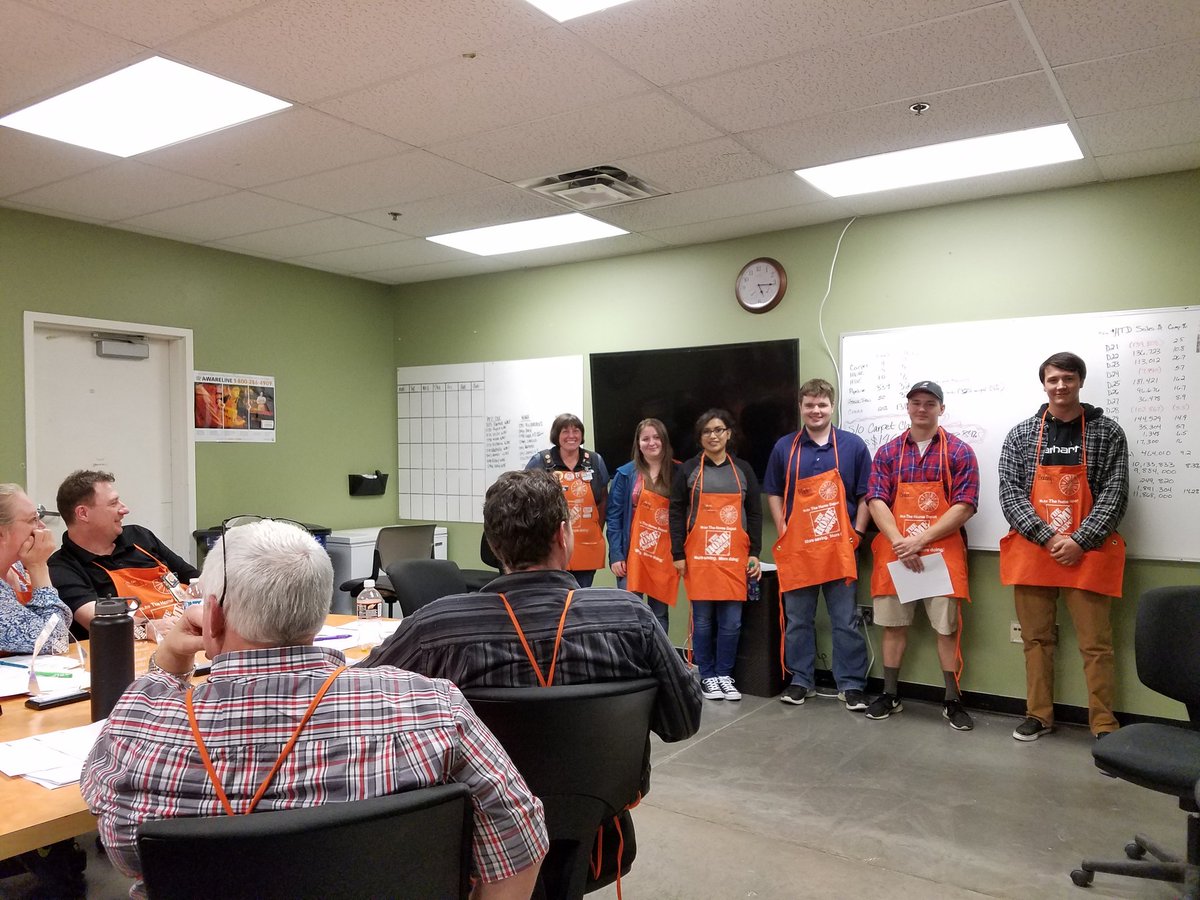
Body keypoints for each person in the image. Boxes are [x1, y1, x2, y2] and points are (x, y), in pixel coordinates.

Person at [81, 519, 546, 900]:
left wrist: (171, 659)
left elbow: (117, 841)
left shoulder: (140, 731)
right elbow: (520, 837)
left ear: (212, 617)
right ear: (320, 610)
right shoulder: (431, 707)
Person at [365, 468, 700, 890]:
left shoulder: (436, 629)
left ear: (492, 546)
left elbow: (360, 704)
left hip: (476, 849)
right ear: (564, 536)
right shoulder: (631, 618)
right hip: (595, 838)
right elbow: (682, 721)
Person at [999, 352, 1129, 741]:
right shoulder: (1022, 434)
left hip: (1088, 554)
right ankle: (1038, 715)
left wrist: (1079, 540)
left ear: (1080, 382)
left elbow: (1115, 492)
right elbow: (1010, 493)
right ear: (1044, 383)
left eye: (1068, 379)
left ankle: (1104, 723)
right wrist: (1050, 537)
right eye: (1053, 379)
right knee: (1036, 640)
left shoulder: (1107, 432)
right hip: (1034, 553)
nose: (1060, 386)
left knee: (1096, 645)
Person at [865, 382, 980, 731]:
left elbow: (965, 505)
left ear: (941, 409)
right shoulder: (887, 453)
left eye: (930, 403)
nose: (922, 409)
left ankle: (951, 700)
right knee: (893, 626)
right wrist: (902, 542)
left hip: (941, 555)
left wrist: (921, 541)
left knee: (946, 629)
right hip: (896, 553)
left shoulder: (959, 452)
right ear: (908, 407)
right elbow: (875, 500)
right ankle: (889, 694)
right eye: (916, 403)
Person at [764, 379, 872, 712]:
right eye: (809, 405)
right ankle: (801, 680)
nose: (816, 410)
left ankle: (851, 685)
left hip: (840, 547)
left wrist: (857, 532)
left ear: (832, 407)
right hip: (798, 550)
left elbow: (865, 494)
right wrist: (783, 529)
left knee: (845, 619)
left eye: (822, 405)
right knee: (798, 619)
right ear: (800, 407)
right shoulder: (785, 447)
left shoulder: (852, 446)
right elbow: (773, 492)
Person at [670, 409, 762, 702]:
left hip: (734, 558)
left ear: (728, 434)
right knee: (704, 620)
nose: (713, 435)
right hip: (698, 557)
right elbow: (675, 512)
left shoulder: (744, 470)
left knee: (732, 621)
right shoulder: (688, 471)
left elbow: (755, 513)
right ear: (700, 437)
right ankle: (706, 675)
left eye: (719, 429)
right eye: (707, 431)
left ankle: (725, 674)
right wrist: (677, 552)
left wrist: (755, 553)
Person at [48, 470, 199, 638]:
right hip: (136, 651)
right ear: (83, 513)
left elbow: (197, 580)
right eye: (113, 504)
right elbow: (97, 621)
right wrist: (145, 629)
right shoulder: (62, 566)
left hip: (193, 632)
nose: (124, 509)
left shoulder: (140, 536)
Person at [607, 417, 678, 633]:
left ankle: (660, 662)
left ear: (664, 440)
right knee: (630, 613)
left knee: (659, 614)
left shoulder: (679, 473)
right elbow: (614, 517)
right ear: (638, 443)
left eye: (656, 437)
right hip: (631, 556)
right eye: (645, 438)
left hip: (662, 557)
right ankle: (633, 663)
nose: (652, 442)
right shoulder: (625, 474)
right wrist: (617, 555)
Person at [525, 413, 610, 587]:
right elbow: (526, 497)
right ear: (557, 435)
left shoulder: (595, 461)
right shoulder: (541, 461)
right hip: (550, 547)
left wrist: (595, 530)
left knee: (580, 598)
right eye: (565, 431)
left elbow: (602, 500)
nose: (571, 436)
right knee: (553, 598)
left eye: (576, 430)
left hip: (586, 546)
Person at [0, 484, 70, 653]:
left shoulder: (16, 567)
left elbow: (60, 624)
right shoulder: (32, 564)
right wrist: (39, 567)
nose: (43, 527)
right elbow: (55, 641)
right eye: (33, 520)